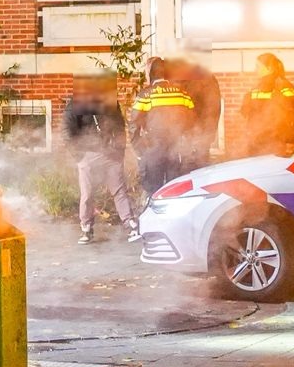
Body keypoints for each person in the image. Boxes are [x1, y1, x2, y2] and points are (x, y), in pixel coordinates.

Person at [128, 57, 198, 238]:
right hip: (176, 149)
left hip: (154, 149)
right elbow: (192, 121)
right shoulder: (181, 93)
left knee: (154, 191)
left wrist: (139, 150)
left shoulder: (147, 94)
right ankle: (177, 230)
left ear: (150, 73)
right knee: (175, 190)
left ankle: (154, 231)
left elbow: (134, 123)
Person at [63, 74, 134, 244]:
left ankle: (130, 224)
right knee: (88, 194)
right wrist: (79, 157)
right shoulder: (75, 105)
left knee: (118, 191)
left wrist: (119, 150)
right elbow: (67, 132)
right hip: (88, 156)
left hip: (110, 155)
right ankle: (86, 228)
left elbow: (119, 125)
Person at [240, 53, 294, 157]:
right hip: (257, 137)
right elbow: (246, 109)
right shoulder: (258, 86)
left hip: (273, 139)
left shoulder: (282, 85)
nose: (255, 70)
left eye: (258, 66)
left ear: (269, 68)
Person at [170, 56, 225, 164]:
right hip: (204, 131)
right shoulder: (209, 78)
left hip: (194, 132)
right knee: (201, 164)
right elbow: (215, 107)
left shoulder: (194, 81)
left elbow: (187, 107)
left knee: (191, 165)